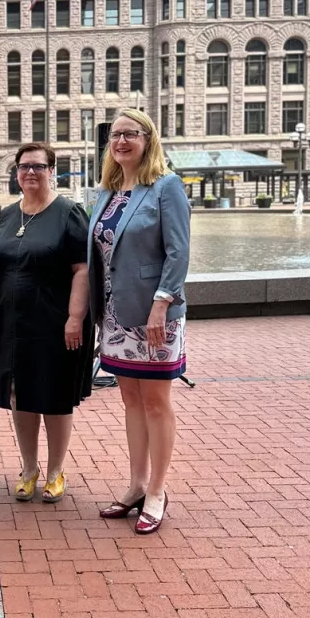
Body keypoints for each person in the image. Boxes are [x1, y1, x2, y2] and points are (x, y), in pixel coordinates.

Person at [88, 109, 190, 535]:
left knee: (155, 402)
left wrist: (161, 304)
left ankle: (158, 491)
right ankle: (135, 485)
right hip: (115, 315)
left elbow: (178, 252)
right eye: (115, 135)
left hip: (154, 316)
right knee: (130, 400)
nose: (121, 142)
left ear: (148, 139)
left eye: (131, 134)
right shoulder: (109, 192)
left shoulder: (166, 186)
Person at [0, 142, 93, 504]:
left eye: (38, 166)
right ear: (16, 173)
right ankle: (29, 469)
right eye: (24, 166)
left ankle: (55, 471)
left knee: (55, 395)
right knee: (19, 393)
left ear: (52, 171)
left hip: (53, 320)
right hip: (9, 322)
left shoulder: (69, 212)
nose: (30, 172)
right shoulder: (6, 215)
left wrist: (75, 317)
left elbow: (82, 270)